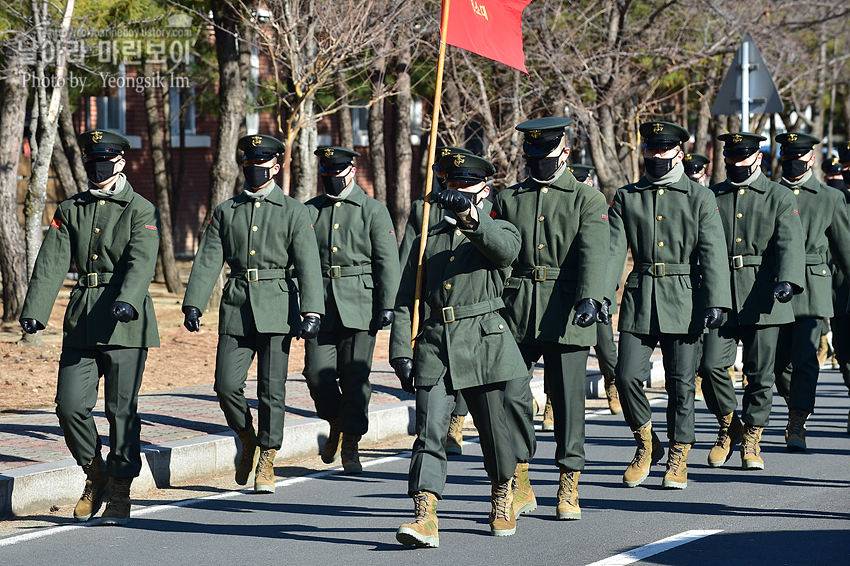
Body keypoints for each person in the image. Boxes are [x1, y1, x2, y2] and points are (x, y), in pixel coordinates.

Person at [20, 130, 161, 525]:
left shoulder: (141, 209)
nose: (99, 169)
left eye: (106, 161)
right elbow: (51, 260)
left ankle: (119, 491)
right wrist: (36, 310)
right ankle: (94, 472)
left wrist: (129, 300)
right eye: (92, 162)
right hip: (82, 318)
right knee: (69, 406)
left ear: (121, 163)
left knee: (120, 411)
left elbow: (141, 260)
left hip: (125, 323)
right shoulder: (70, 208)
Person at [390, 152, 527, 545]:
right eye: (451, 183)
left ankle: (503, 493)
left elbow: (502, 252)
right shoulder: (425, 231)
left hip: (483, 340)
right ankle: (425, 514)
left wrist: (470, 217)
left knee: (494, 433)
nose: (456, 191)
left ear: (485, 188)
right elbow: (405, 295)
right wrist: (401, 347)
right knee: (429, 432)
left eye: (465, 184)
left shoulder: (501, 227)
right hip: (435, 342)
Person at [182, 134, 324, 493]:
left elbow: (308, 265)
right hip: (238, 305)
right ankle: (247, 437)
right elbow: (209, 258)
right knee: (226, 384)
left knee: (272, 389)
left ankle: (267, 458)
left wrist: (311, 311)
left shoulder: (294, 210)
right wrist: (194, 302)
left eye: (262, 166)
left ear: (276, 167)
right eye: (249, 166)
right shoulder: (227, 210)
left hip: (278, 304)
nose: (255, 172)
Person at [493, 117, 609, 519]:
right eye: (532, 154)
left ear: (565, 150)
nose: (538, 161)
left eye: (546, 153)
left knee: (568, 402)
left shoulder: (586, 199)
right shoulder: (509, 199)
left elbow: (596, 252)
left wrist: (591, 297)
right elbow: (498, 252)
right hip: (518, 309)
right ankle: (520, 479)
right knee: (509, 396)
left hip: (567, 311)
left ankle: (568, 481)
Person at [606, 121, 731, 490]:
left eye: (664, 150)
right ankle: (646, 443)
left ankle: (679, 454)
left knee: (680, 385)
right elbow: (615, 250)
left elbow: (712, 252)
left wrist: (716, 299)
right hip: (640, 294)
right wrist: (599, 294)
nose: (656, 157)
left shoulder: (699, 197)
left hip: (684, 297)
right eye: (651, 150)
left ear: (679, 152)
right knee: (626, 375)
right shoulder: (628, 196)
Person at [700, 132, 805, 470]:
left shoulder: (778, 195)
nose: (736, 164)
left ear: (758, 158)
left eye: (743, 158)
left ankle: (752, 439)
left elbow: (790, 241)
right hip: (721, 294)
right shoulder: (712, 195)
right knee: (711, 366)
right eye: (731, 158)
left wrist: (788, 279)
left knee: (760, 374)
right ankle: (729, 426)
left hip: (763, 295)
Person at [303, 146, 400, 473]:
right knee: (317, 375)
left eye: (338, 173)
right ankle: (336, 421)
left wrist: (388, 303)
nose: (333, 179)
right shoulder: (310, 211)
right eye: (326, 174)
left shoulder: (372, 210)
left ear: (352, 172)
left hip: (361, 305)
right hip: (320, 306)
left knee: (355, 377)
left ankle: (352, 443)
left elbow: (387, 261)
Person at [772, 133, 850, 451]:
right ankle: (796, 401)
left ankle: (797, 421)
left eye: (798, 158)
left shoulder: (830, 197)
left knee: (804, 356)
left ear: (811, 160)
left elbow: (845, 249)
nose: (792, 164)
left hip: (812, 285)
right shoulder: (771, 193)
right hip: (775, 286)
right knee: (777, 362)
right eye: (787, 158)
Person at [398, 146, 474, 455]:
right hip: (431, 292)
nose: (446, 181)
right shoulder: (423, 208)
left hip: (468, 293)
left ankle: (456, 420)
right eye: (442, 175)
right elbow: (407, 256)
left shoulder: (486, 207)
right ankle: (438, 425)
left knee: (466, 361)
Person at [569, 164, 621, 415]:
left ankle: (612, 384)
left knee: (605, 346)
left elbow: (610, 254)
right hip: (566, 289)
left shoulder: (600, 208)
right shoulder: (564, 206)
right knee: (560, 350)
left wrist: (605, 295)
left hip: (596, 289)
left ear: (590, 182)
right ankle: (551, 402)